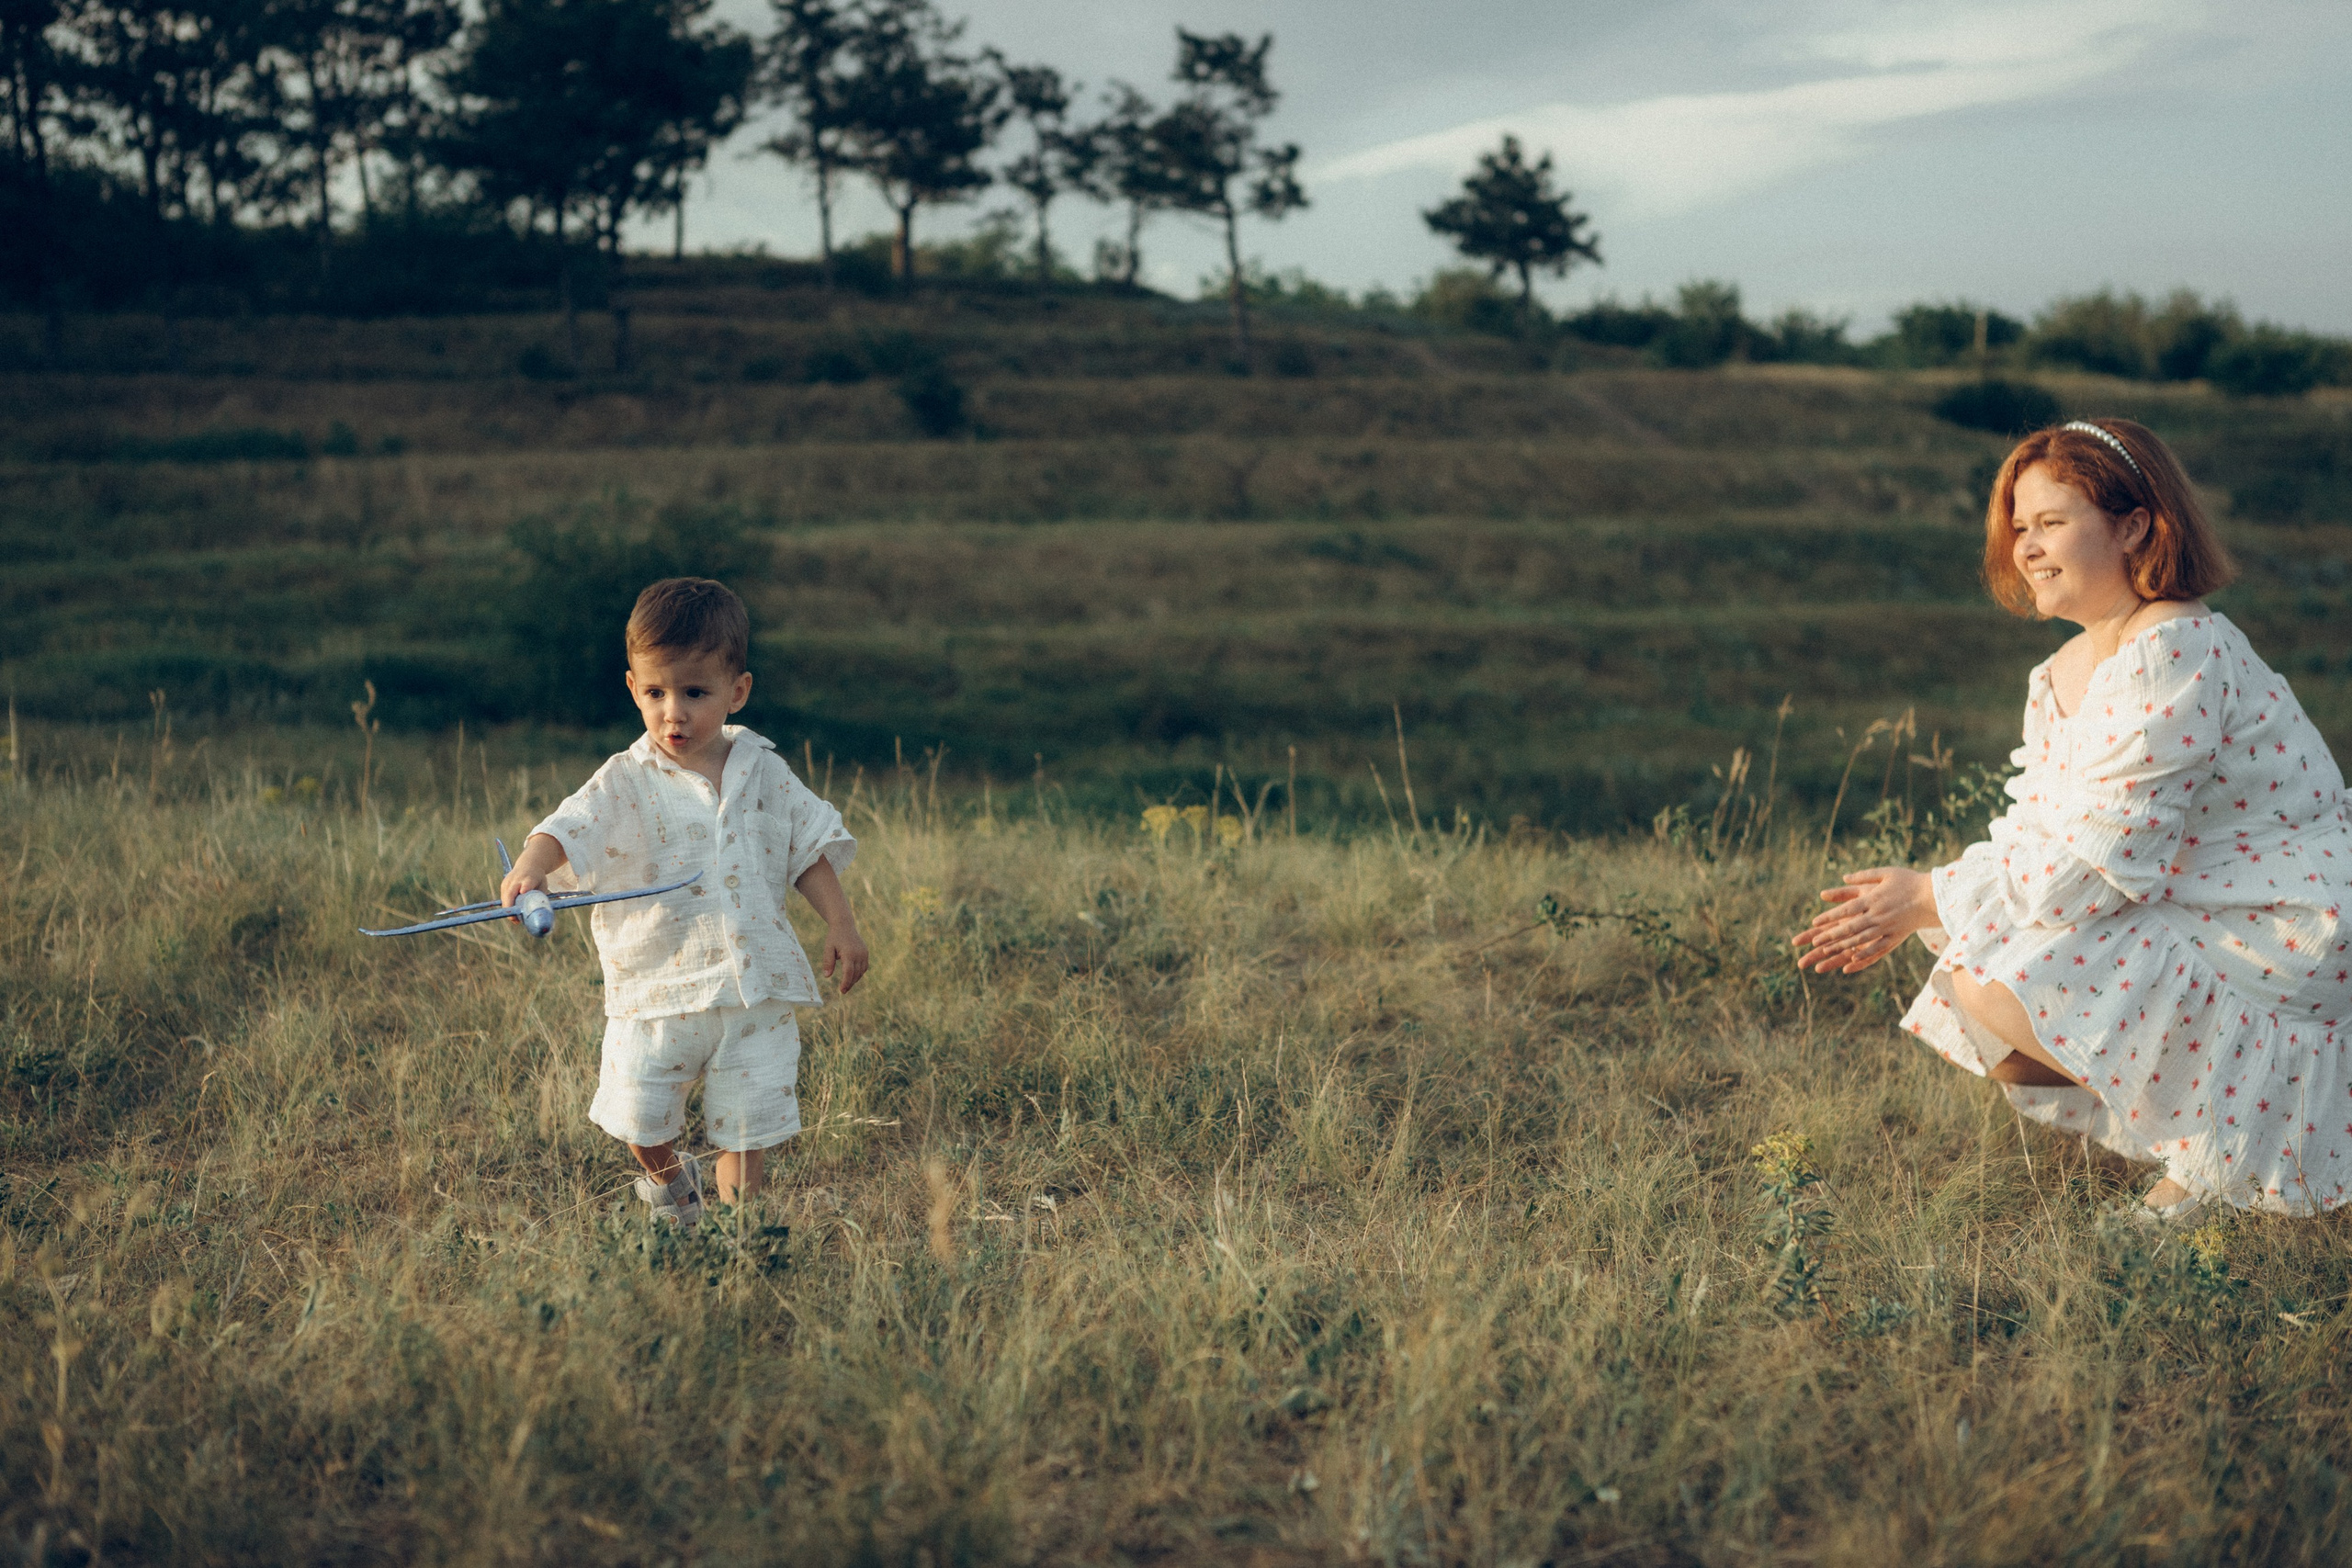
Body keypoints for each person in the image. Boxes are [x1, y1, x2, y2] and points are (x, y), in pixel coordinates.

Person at [1795, 418, 2352, 1223]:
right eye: (2019, 527)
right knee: (1980, 976)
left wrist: (1931, 894)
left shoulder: (2177, 643)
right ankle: (2212, 1147)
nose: (2026, 547)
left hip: (2296, 923)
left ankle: (2212, 1156)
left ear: (2133, 526)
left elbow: (2097, 864)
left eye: (2053, 522)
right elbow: (2042, 831)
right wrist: (1942, 898)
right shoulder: (2066, 666)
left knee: (1996, 976)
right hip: (2206, 901)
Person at [501, 577, 869, 1229]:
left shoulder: (765, 770)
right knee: (638, 1115)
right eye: (655, 692)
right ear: (632, 688)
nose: (675, 712)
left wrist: (841, 923)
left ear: (738, 690)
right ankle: (673, 1185)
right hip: (657, 987)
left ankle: (742, 1237)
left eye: (695, 693)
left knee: (746, 1126)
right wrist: (533, 863)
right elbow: (570, 823)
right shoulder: (625, 776)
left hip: (751, 988)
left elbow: (806, 848)